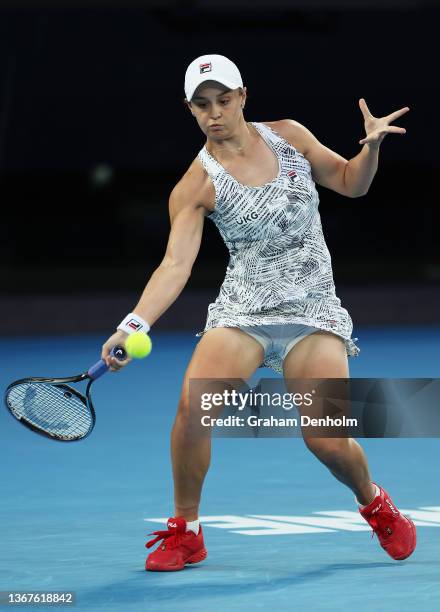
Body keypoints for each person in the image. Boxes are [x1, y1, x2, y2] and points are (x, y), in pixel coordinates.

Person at [102, 54, 415, 571]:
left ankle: (374, 503)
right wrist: (132, 323)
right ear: (190, 110)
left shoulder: (289, 136)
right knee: (193, 410)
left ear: (243, 96)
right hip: (244, 310)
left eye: (224, 100)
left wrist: (371, 148)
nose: (215, 113)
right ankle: (187, 531)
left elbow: (351, 182)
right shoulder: (195, 185)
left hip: (313, 309)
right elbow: (176, 264)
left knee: (328, 440)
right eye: (202, 106)